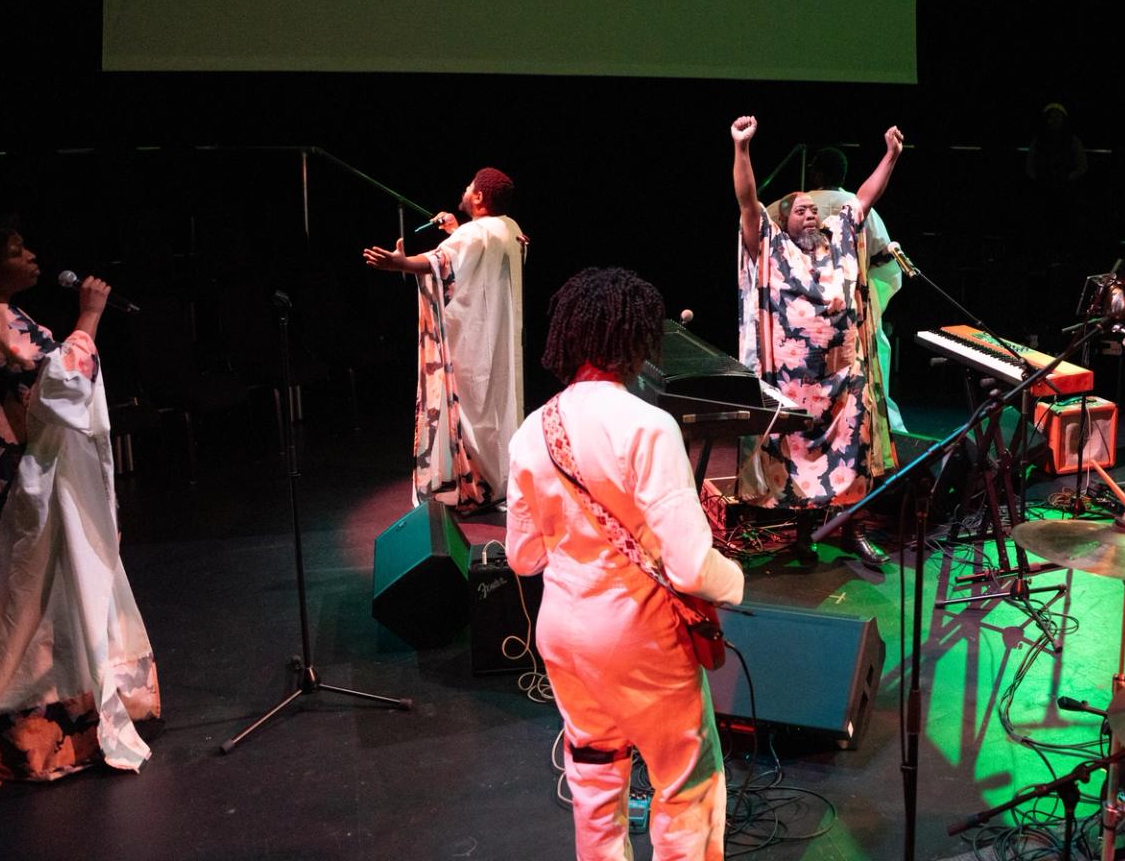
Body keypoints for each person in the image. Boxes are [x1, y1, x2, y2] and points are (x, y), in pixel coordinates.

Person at [0, 220, 160, 815]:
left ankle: (1, 737)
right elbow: (59, 384)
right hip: (25, 490)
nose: (31, 257)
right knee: (38, 606)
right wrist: (91, 315)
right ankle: (42, 737)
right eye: (16, 250)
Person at [506, 267, 746, 861]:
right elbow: (690, 567)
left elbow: (522, 555)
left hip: (564, 635)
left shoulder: (532, 431)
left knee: (593, 775)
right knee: (686, 784)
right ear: (635, 340)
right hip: (638, 638)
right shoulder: (648, 425)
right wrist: (735, 581)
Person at [730, 116, 903, 562]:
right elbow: (748, 201)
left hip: (842, 380)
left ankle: (852, 530)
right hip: (792, 388)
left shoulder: (839, 241)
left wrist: (890, 156)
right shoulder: (768, 245)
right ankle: (803, 534)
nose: (811, 213)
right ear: (783, 221)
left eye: (814, 208)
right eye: (800, 209)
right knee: (798, 459)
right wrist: (742, 149)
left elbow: (864, 197)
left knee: (854, 453)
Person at [365, 167, 526, 513]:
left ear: (480, 196)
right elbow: (475, 255)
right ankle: (495, 480)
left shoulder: (475, 233)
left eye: (470, 187)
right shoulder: (509, 228)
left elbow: (441, 262)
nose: (465, 190)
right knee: (495, 408)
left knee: (469, 406)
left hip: (471, 340)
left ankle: (475, 483)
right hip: (497, 340)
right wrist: (456, 230)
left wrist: (402, 263)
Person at [801, 146, 908, 438]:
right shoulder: (853, 203)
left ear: (818, 173)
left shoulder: (797, 205)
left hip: (812, 295)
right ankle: (883, 423)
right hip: (846, 293)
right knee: (872, 347)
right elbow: (882, 251)